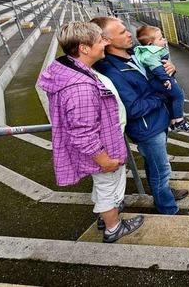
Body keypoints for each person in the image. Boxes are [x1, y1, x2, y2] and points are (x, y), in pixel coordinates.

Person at [38, 22, 144, 243]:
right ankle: (113, 227)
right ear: (84, 48)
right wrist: (104, 160)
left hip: (104, 145)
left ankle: (107, 218)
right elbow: (83, 133)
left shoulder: (72, 70)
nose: (105, 43)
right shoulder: (80, 87)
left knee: (103, 185)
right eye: (100, 40)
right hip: (104, 151)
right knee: (109, 187)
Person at [91, 16, 187, 215]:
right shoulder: (110, 70)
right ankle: (168, 208)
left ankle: (164, 193)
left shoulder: (135, 53)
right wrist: (161, 96)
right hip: (146, 128)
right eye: (122, 32)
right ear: (106, 40)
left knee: (158, 165)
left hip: (157, 119)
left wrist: (170, 68)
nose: (129, 34)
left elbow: (157, 72)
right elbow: (133, 108)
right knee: (161, 169)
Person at [134, 25, 189, 132]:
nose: (164, 40)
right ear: (150, 44)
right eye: (160, 38)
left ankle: (173, 122)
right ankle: (180, 122)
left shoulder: (148, 52)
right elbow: (157, 68)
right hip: (160, 81)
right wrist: (166, 79)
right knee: (179, 95)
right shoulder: (151, 54)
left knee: (171, 98)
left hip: (158, 81)